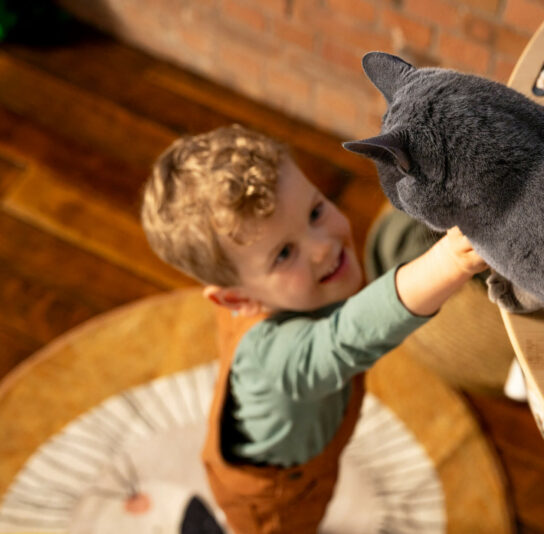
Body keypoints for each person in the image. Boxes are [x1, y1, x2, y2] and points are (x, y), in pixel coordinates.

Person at [140, 124, 486, 533]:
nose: (323, 246)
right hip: (278, 498)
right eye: (284, 253)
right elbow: (350, 334)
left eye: (316, 211)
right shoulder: (276, 358)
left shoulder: (278, 286)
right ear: (238, 301)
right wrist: (451, 261)